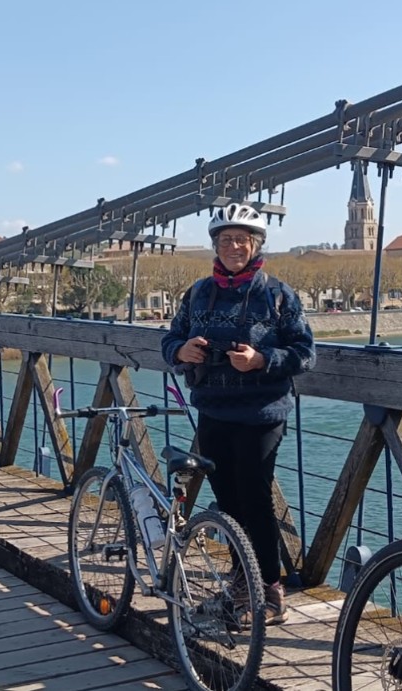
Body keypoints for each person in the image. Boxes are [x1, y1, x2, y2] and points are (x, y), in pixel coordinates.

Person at [160, 202, 316, 624]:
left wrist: (261, 359)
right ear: (215, 245)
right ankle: (242, 582)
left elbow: (306, 353)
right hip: (213, 411)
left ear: (256, 245)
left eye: (242, 240)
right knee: (227, 502)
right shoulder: (197, 293)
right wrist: (181, 350)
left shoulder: (278, 294)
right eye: (226, 240)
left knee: (254, 498)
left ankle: (270, 591)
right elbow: (170, 339)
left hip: (262, 414)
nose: (234, 247)